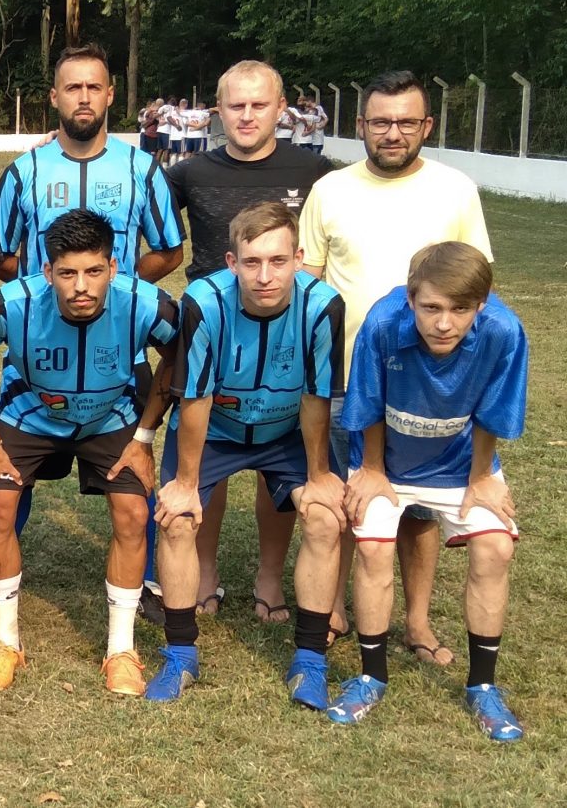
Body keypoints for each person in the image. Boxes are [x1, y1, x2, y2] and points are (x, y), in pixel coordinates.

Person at [299, 70, 494, 666]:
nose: (393, 133)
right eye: (380, 122)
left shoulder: (455, 190)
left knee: (417, 511)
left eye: (406, 122)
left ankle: (416, 621)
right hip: (343, 375)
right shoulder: (330, 190)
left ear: (426, 126)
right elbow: (309, 284)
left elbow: (478, 285)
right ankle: (333, 608)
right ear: (360, 125)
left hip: (428, 384)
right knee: (346, 498)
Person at [0, 43, 182, 628]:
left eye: (94, 87)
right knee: (9, 470)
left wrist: (115, 296)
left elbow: (169, 249)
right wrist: (45, 294)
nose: (84, 97)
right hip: (39, 349)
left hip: (117, 348)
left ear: (111, 95)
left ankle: (145, 582)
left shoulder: (141, 169)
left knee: (133, 465)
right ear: (54, 97)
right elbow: (0, 254)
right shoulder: (25, 170)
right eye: (73, 87)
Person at [0, 209, 177, 695]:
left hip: (111, 415)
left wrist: (145, 438)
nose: (81, 286)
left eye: (94, 271)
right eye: (67, 273)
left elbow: (179, 355)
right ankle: (4, 641)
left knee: (132, 512)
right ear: (47, 271)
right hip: (30, 414)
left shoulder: (148, 306)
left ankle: (121, 650)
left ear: (113, 267)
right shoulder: (11, 305)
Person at [326, 242, 526, 742]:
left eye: (460, 309)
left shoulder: (504, 332)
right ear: (411, 297)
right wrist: (373, 470)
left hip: (462, 465)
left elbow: (494, 411)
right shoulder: (382, 323)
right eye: (431, 307)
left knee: (496, 548)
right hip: (386, 462)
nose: (444, 323)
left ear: (482, 304)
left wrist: (480, 478)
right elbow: (367, 402)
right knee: (373, 549)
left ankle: (483, 686)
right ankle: (371, 676)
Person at [152, 202, 345, 703]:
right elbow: (195, 397)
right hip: (216, 429)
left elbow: (316, 396)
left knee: (325, 517)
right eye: (252, 262)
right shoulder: (203, 302)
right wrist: (186, 483)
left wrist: (319, 474)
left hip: (284, 432)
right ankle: (179, 655)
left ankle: (310, 661)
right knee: (176, 518)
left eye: (278, 261)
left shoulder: (323, 306)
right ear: (231, 262)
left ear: (298, 259)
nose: (265, 276)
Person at [163, 61, 334, 623]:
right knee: (208, 449)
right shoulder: (189, 173)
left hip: (284, 329)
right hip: (214, 331)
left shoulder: (314, 171)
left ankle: (269, 576)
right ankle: (204, 570)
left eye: (259, 105)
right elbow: (146, 223)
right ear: (218, 110)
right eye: (235, 105)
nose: (247, 115)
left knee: (276, 457)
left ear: (281, 109)